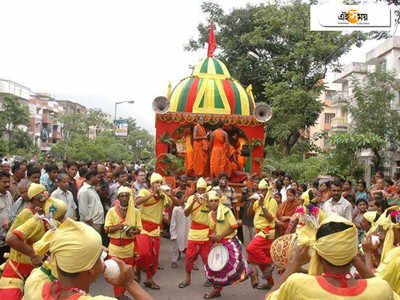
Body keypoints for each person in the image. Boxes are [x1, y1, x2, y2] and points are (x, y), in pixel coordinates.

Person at [265, 215, 397, 300]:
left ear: (318, 254)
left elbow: (270, 298)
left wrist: (292, 267)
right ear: (353, 253)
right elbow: (379, 285)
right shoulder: (381, 289)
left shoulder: (297, 284)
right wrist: (356, 257)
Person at [23, 217, 153, 300]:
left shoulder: (34, 282)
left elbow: (52, 260)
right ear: (91, 269)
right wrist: (130, 283)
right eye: (98, 256)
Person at [0, 195, 66, 299]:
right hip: (16, 272)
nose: (64, 220)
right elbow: (11, 238)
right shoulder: (34, 220)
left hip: (36, 272)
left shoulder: (55, 225)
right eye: (61, 217)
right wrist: (33, 254)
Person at [204, 191, 249, 299]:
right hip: (218, 243)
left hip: (229, 241)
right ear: (208, 203)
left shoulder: (226, 210)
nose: (214, 203)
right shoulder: (210, 214)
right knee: (216, 267)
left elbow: (234, 225)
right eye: (211, 201)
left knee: (235, 266)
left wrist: (221, 236)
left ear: (219, 201)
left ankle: (252, 273)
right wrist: (214, 237)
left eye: (216, 201)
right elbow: (213, 229)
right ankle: (216, 290)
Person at [135, 172, 172, 289]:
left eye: (160, 182)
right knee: (143, 254)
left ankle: (149, 280)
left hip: (156, 229)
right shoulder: (145, 192)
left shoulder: (163, 196)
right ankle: (137, 269)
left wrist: (170, 195)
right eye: (156, 182)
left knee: (153, 258)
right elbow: (137, 202)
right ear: (151, 184)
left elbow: (174, 204)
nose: (159, 184)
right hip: (144, 228)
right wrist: (153, 194)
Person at [105, 186, 142, 298]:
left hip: (128, 248)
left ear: (130, 197)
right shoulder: (111, 211)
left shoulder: (135, 212)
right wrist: (119, 227)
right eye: (122, 195)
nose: (124, 198)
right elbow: (107, 229)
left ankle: (122, 294)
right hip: (115, 248)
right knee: (115, 273)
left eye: (127, 195)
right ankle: (118, 295)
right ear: (118, 198)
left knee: (126, 274)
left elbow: (139, 229)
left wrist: (132, 231)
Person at [178, 177, 211, 288]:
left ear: (206, 189)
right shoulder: (192, 198)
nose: (201, 192)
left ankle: (209, 279)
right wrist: (194, 202)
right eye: (199, 190)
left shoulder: (210, 198)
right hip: (194, 232)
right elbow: (186, 214)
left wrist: (207, 200)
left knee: (207, 258)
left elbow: (214, 210)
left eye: (203, 189)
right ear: (196, 190)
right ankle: (187, 279)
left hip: (207, 233)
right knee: (189, 257)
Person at [246, 179, 278, 290]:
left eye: (264, 190)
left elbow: (270, 219)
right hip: (259, 232)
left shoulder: (272, 201)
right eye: (260, 190)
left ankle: (270, 264)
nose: (261, 192)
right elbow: (249, 214)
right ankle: (270, 283)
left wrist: (263, 205)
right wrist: (251, 202)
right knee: (258, 259)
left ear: (268, 190)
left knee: (251, 249)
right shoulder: (258, 200)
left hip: (268, 231)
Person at [170, 191, 190, 269]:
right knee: (175, 247)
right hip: (178, 230)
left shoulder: (188, 206)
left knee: (188, 247)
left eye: (186, 197)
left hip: (187, 229)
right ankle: (174, 261)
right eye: (184, 197)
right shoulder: (176, 209)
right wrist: (173, 233)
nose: (186, 199)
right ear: (178, 199)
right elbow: (173, 222)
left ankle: (190, 262)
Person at [0, 171, 12, 264]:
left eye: (8, 182)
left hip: (7, 241)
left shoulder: (8, 195)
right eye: (4, 182)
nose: (7, 184)